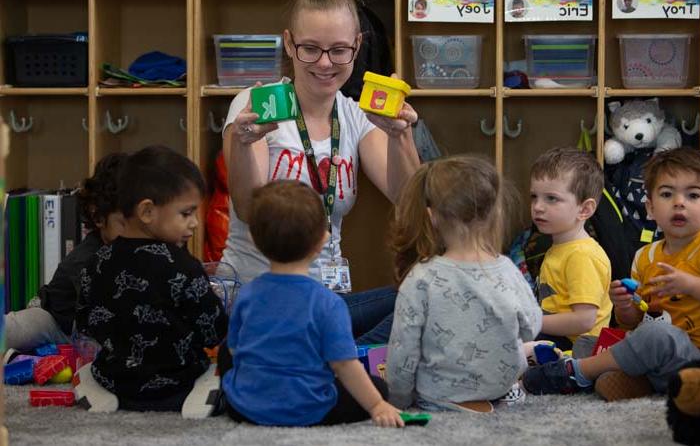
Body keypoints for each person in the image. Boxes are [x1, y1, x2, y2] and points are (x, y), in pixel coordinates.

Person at [222, 0, 420, 345]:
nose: (325, 64)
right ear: (289, 43)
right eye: (310, 48)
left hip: (327, 302)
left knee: (421, 298)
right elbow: (248, 209)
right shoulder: (258, 104)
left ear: (357, 46)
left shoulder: (354, 115)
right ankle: (344, 365)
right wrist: (244, 144)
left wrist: (400, 136)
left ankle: (341, 363)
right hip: (260, 298)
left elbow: (407, 196)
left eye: (339, 50)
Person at [523, 148, 700, 401]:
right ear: (650, 208)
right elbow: (635, 322)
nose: (679, 202)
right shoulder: (644, 256)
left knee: (657, 337)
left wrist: (692, 285)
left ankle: (577, 371)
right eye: (666, 194)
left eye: (693, 195)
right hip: (660, 360)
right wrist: (625, 306)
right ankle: (651, 382)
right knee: (620, 361)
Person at [220, 180, 403, 427]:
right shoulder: (328, 304)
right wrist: (377, 405)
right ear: (322, 241)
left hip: (245, 408)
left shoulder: (246, 295)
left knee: (224, 351)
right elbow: (344, 364)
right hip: (307, 410)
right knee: (378, 388)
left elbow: (234, 351)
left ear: (253, 239)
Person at [74, 146, 228, 418]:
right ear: (146, 212)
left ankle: (92, 387)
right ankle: (203, 394)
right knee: (224, 365)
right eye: (186, 213)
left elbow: (87, 323)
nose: (194, 223)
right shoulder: (185, 268)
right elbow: (214, 331)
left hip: (115, 381)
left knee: (96, 368)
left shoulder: (93, 264)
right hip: (179, 385)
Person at [385, 156, 542, 412]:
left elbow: (403, 352)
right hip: (500, 385)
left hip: (440, 394)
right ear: (494, 213)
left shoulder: (421, 278)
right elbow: (532, 326)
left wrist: (398, 400)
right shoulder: (507, 269)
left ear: (432, 216)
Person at [4, 153, 127, 356]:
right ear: (98, 216)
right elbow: (96, 310)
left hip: (89, 334)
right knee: (16, 330)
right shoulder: (87, 257)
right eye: (124, 223)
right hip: (54, 320)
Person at [529, 148, 612, 357]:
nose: (538, 206)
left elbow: (584, 320)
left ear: (584, 209)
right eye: (534, 197)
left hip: (578, 348)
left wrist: (532, 322)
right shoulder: (560, 248)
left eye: (551, 198)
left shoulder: (582, 255)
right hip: (558, 337)